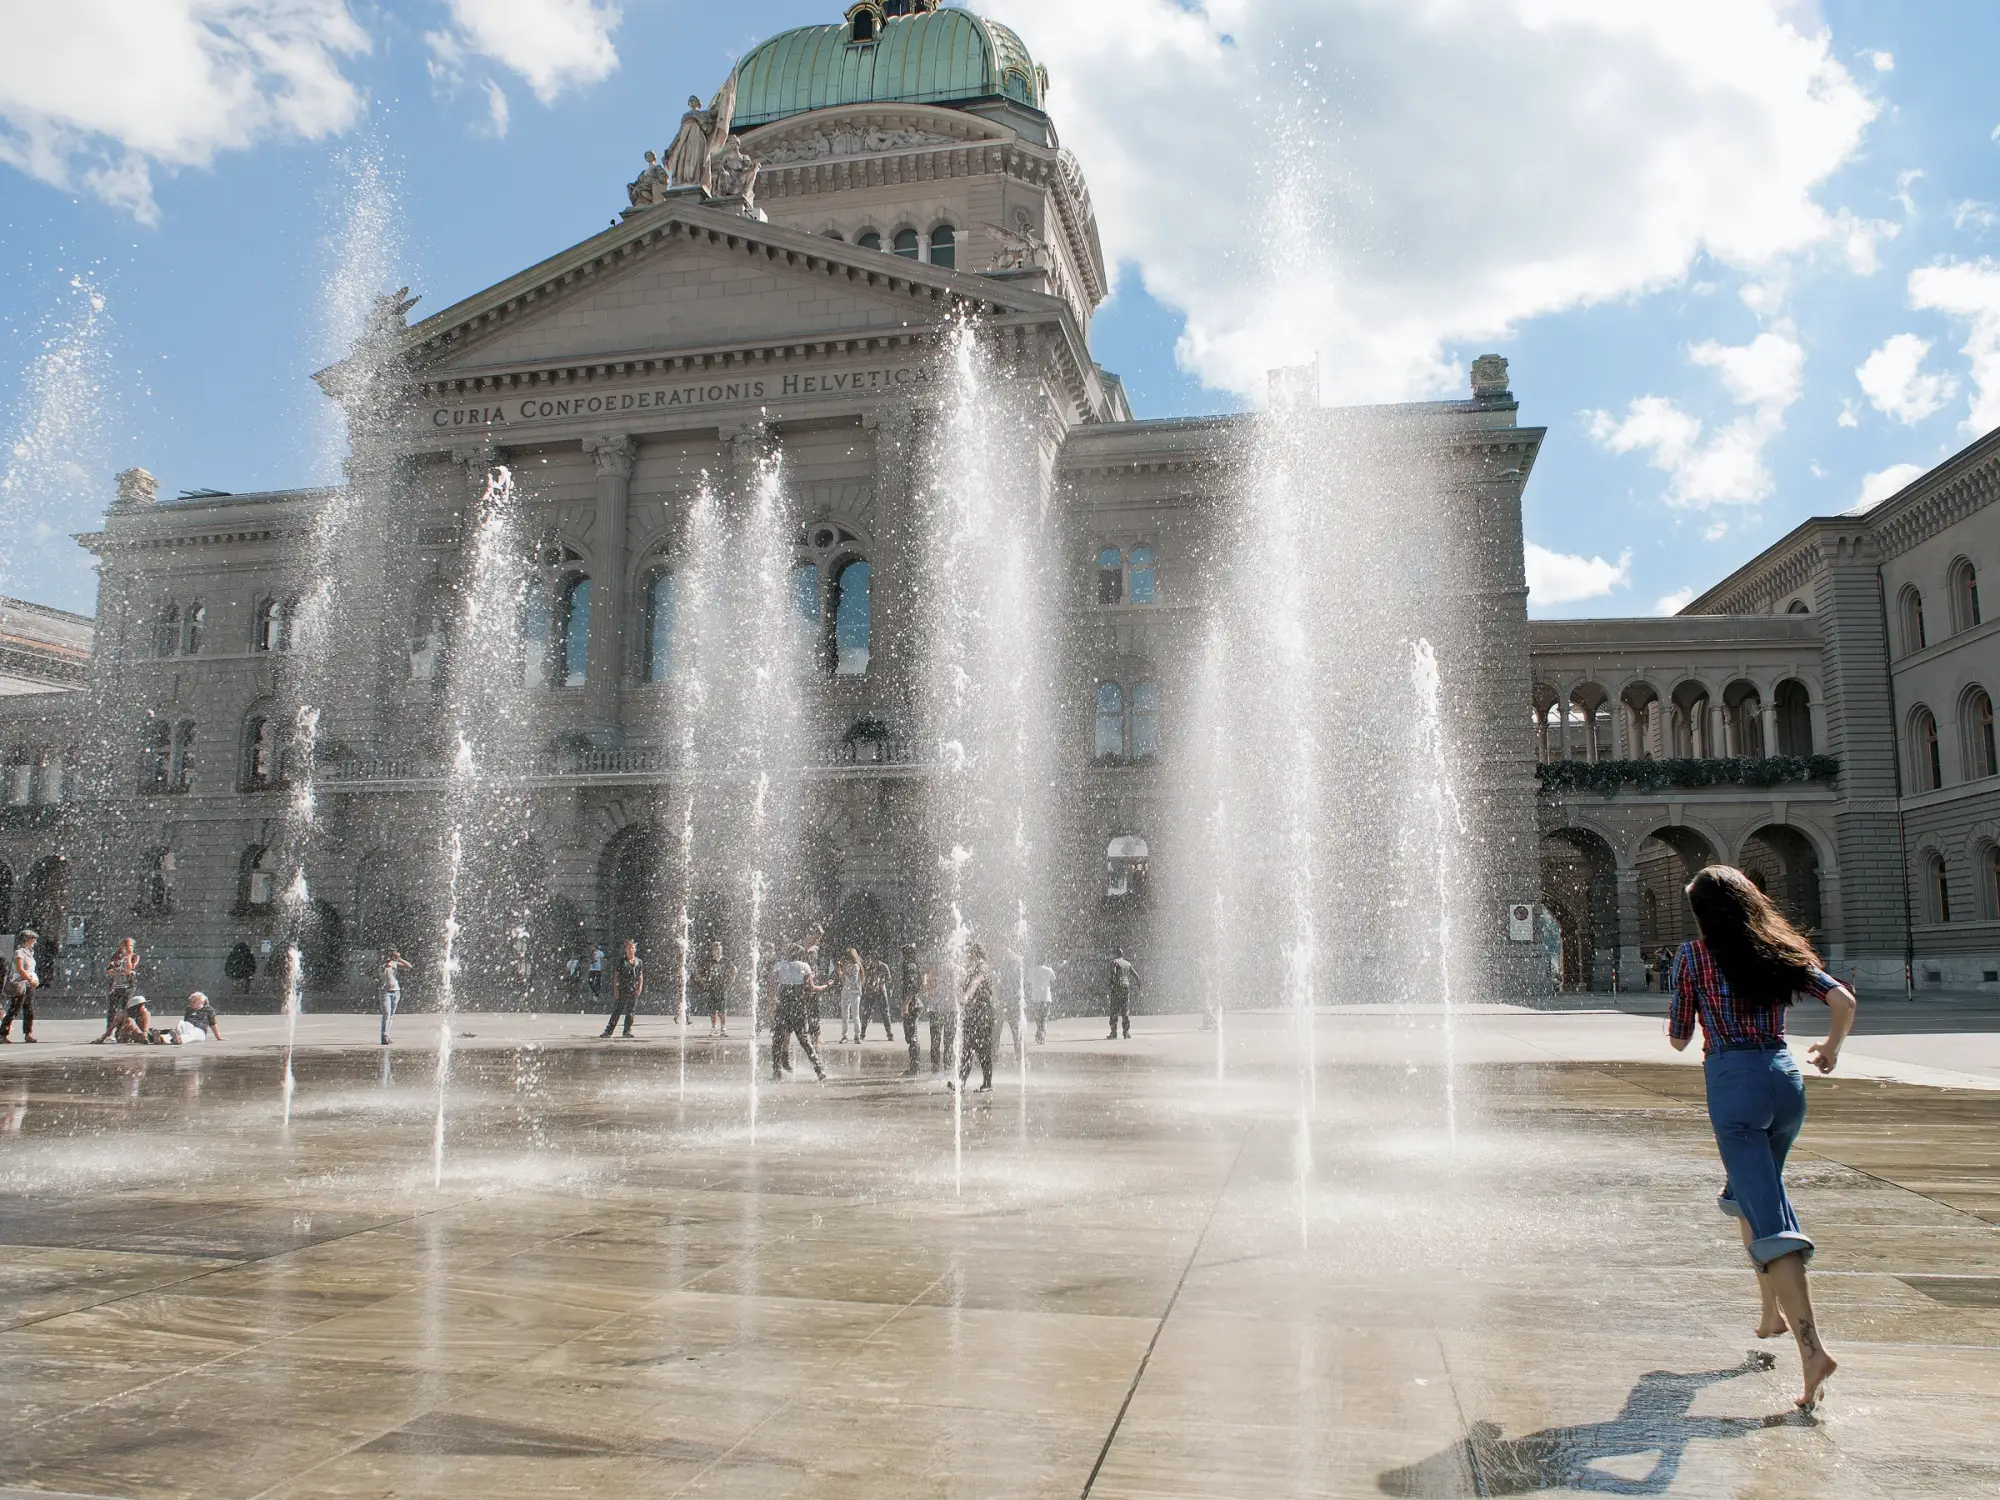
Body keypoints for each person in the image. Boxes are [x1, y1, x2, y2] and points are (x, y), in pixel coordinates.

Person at [1669, 865, 1856, 1412]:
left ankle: (1813, 1350)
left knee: (1771, 1220)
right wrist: (1831, 1049)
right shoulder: (1777, 948)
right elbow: (1842, 1000)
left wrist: (1686, 1016)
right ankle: (1770, 1313)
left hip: (1735, 1086)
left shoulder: (1694, 956)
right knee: (1748, 1194)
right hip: (1785, 1080)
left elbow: (1681, 1039)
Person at [769, 944, 826, 1082]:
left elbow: (772, 987)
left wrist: (770, 1004)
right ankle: (819, 1069)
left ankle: (777, 1073)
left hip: (782, 1007)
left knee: (777, 1040)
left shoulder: (779, 966)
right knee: (804, 1040)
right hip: (798, 1007)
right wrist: (825, 986)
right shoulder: (805, 966)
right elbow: (811, 988)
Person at [948, 942, 996, 1092]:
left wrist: (966, 996)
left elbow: (976, 982)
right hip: (974, 1013)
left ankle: (987, 1083)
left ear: (975, 954)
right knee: (967, 1048)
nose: (967, 956)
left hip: (983, 1013)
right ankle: (960, 1083)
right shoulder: (973, 968)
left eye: (969, 953)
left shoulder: (983, 967)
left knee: (983, 1049)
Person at [97, 937, 140, 1043]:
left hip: (128, 987)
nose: (128, 948)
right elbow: (109, 971)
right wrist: (121, 971)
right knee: (112, 1009)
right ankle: (109, 1033)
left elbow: (128, 969)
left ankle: (120, 1032)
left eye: (130, 946)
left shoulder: (134, 957)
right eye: (126, 946)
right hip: (115, 987)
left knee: (125, 1010)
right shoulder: (115, 957)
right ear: (121, 947)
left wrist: (128, 957)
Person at [1, 929, 40, 1043]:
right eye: (33, 939)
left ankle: (28, 1034)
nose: (35, 941)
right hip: (20, 984)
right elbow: (20, 969)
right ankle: (3, 1034)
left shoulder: (30, 952)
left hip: (29, 984)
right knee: (15, 1009)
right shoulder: (20, 952)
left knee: (29, 1009)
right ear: (27, 939)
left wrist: (33, 980)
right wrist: (29, 979)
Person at [600, 939, 644, 1039]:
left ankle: (627, 1031)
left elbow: (640, 976)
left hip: (633, 989)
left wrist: (639, 987)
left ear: (635, 949)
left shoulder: (639, 962)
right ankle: (608, 1031)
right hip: (623, 988)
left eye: (632, 948)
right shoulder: (622, 961)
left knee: (631, 1011)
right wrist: (615, 989)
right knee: (617, 1010)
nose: (631, 950)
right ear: (625, 949)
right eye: (629, 948)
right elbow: (616, 975)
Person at [696, 940, 734, 1038]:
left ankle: (723, 1029)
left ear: (721, 950)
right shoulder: (709, 961)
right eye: (715, 949)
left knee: (722, 1010)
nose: (717, 951)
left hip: (722, 988)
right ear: (712, 951)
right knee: (712, 1010)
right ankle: (713, 1028)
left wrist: (729, 982)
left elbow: (734, 970)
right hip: (712, 988)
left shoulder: (725, 961)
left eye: (719, 949)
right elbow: (699, 972)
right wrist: (704, 982)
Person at [898, 944, 925, 1076]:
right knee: (911, 1036)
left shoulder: (910, 967)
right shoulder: (914, 966)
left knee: (912, 1036)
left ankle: (915, 1067)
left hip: (912, 1004)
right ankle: (914, 1066)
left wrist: (906, 1004)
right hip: (914, 1003)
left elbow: (913, 986)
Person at [379, 949, 412, 1045]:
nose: (388, 957)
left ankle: (387, 1035)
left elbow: (409, 966)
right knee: (386, 1014)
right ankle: (384, 1036)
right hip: (385, 992)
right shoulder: (381, 964)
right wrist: (387, 961)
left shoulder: (395, 964)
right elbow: (382, 966)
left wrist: (399, 959)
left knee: (391, 1015)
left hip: (396, 991)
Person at [859, 952, 894, 1041]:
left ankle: (889, 1034)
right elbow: (864, 978)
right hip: (870, 991)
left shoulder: (883, 966)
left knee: (885, 1013)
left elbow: (889, 978)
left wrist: (882, 982)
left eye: (873, 960)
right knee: (866, 1012)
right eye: (870, 960)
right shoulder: (868, 967)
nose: (871, 962)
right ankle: (862, 1033)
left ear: (877, 960)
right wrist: (868, 984)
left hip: (881, 991)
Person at [1107, 948, 1139, 1039]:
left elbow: (1113, 973)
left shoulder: (1114, 962)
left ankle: (1114, 1033)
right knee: (1125, 1011)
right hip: (1126, 987)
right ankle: (1126, 1032)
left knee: (1114, 1010)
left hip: (1117, 987)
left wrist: (1111, 983)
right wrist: (1138, 984)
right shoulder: (1127, 963)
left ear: (1115, 954)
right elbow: (1135, 975)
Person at [836, 948, 863, 1043]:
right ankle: (844, 1035)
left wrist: (845, 973)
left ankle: (857, 1035)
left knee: (855, 1015)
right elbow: (844, 982)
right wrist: (841, 973)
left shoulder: (856, 966)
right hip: (846, 991)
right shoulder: (846, 966)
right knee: (844, 1015)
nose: (846, 960)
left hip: (854, 992)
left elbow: (853, 981)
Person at [1030, 960, 1055, 1044]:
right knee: (1043, 1018)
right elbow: (1053, 980)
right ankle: (1041, 1035)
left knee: (1038, 1018)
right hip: (1046, 997)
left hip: (1036, 998)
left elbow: (1028, 982)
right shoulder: (1049, 970)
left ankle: (1039, 1035)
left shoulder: (1032, 971)